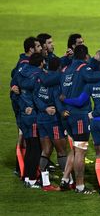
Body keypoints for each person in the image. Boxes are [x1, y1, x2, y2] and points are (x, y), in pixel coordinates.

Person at [59, 45, 100, 194]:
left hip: (67, 115)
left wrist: (63, 104)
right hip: (80, 116)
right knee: (81, 151)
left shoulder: (66, 70)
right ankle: (80, 186)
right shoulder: (84, 70)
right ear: (85, 56)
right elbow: (88, 83)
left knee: (74, 148)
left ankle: (65, 178)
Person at [33, 57, 67, 191]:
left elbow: (35, 96)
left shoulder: (41, 79)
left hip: (41, 119)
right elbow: (57, 100)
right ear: (59, 67)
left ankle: (45, 183)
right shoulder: (56, 82)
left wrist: (43, 108)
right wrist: (62, 111)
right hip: (53, 121)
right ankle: (67, 180)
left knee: (46, 150)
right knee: (62, 151)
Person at [10, 37, 42, 178]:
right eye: (38, 46)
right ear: (31, 49)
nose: (41, 48)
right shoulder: (26, 67)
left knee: (30, 144)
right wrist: (25, 108)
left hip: (25, 112)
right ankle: (28, 176)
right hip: (29, 114)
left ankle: (25, 173)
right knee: (32, 146)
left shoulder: (23, 69)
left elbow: (14, 87)